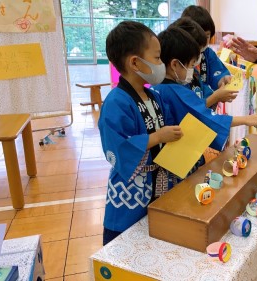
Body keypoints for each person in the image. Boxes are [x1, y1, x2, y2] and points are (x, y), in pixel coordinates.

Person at [98, 21, 183, 245]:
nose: (161, 64)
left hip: (160, 182)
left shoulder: (153, 97)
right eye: (156, 58)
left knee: (156, 242)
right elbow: (116, 147)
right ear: (135, 62)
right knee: (124, 247)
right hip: (131, 188)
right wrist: (157, 137)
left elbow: (168, 131)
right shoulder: (116, 102)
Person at [151, 27, 257, 178]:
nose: (192, 70)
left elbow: (204, 100)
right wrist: (246, 119)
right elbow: (206, 117)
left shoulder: (159, 87)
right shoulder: (173, 91)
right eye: (189, 66)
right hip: (175, 161)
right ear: (175, 64)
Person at [170, 17, 238, 107]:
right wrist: (216, 97)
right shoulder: (170, 86)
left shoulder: (194, 74)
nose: (198, 57)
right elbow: (191, 111)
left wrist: (223, 81)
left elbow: (209, 90)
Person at [181, 5, 231, 91]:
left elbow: (218, 74)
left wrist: (224, 80)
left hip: (205, 101)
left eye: (206, 36)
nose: (202, 41)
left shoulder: (208, 54)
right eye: (197, 36)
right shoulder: (178, 55)